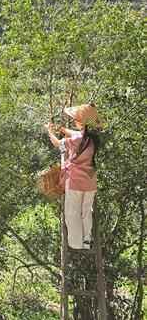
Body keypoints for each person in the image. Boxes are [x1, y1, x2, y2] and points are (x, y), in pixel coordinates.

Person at [45, 103, 101, 250]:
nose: (74, 120)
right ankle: (87, 240)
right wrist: (63, 129)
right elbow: (76, 134)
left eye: (76, 119)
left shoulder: (76, 140)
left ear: (81, 122)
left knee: (72, 212)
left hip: (75, 181)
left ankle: (76, 243)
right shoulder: (93, 139)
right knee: (86, 211)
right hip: (90, 182)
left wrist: (49, 131)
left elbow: (58, 144)